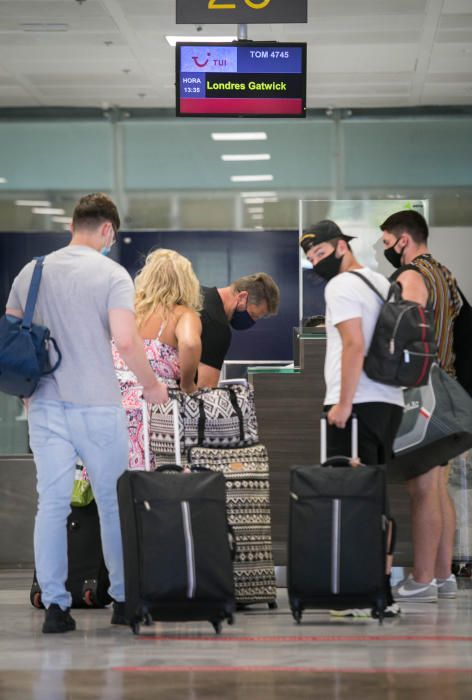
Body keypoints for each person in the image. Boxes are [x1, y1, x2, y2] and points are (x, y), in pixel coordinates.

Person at [5, 193, 168, 634]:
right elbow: (127, 340)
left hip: (44, 404)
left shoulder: (32, 271)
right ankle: (121, 601)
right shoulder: (113, 274)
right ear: (108, 230)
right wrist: (152, 386)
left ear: (73, 225)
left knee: (52, 505)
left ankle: (56, 608)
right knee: (113, 504)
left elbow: (12, 334)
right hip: (98, 405)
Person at [300, 219, 404, 617]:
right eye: (311, 259)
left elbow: (354, 345)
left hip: (355, 403)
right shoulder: (379, 281)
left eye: (321, 254)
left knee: (350, 497)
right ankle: (381, 591)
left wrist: (342, 404)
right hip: (388, 401)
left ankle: (358, 594)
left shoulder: (341, 286)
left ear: (342, 246)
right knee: (375, 497)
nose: (316, 262)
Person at [381, 209, 462, 603]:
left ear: (403, 240)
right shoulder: (445, 275)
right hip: (446, 384)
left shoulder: (412, 275)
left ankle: (423, 578)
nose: (386, 251)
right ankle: (444, 575)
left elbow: (405, 328)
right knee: (439, 487)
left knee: (423, 487)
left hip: (420, 387)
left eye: (386, 243)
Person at [112, 248, 202, 469]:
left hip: (111, 406)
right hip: (153, 412)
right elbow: (190, 343)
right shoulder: (182, 314)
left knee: (113, 487)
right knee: (153, 485)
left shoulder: (127, 311)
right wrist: (188, 383)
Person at [198, 273, 280, 387]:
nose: (252, 321)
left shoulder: (198, 293)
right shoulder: (218, 327)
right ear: (242, 297)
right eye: (253, 315)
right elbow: (205, 391)